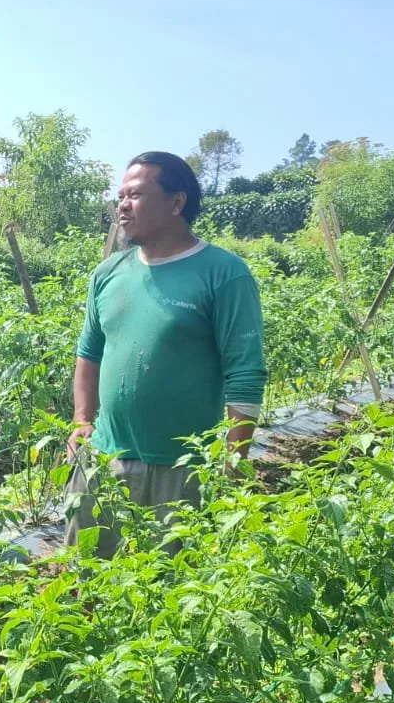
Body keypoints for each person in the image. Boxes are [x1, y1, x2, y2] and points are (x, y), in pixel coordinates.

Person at [66, 151, 266, 555]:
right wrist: (82, 420)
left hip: (181, 470)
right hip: (105, 458)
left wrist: (233, 461)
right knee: (85, 582)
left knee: (168, 595)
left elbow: (244, 372)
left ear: (177, 203)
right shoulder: (109, 273)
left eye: (135, 195)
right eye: (120, 196)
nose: (122, 205)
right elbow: (90, 352)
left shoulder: (223, 273)